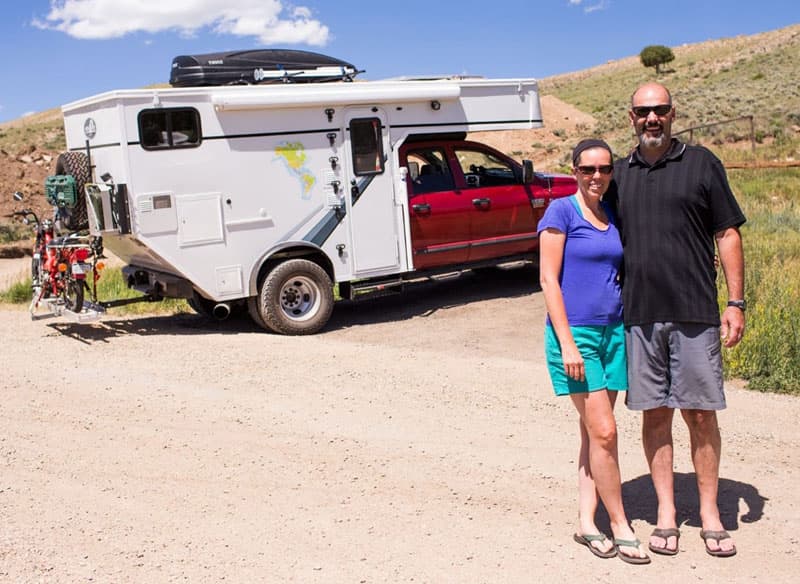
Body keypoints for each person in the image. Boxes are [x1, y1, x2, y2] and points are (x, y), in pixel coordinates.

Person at [608, 82, 746, 558]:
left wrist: (735, 302)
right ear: (631, 117)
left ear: (672, 114)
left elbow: (726, 232)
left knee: (701, 414)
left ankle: (710, 513)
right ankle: (666, 512)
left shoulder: (701, 163)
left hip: (695, 313)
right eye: (643, 111)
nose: (652, 119)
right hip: (640, 316)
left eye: (660, 110)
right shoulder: (618, 175)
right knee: (655, 415)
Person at [538, 139, 650, 564]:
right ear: (575, 171)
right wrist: (567, 343)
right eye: (588, 170)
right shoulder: (561, 212)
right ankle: (619, 523)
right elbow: (549, 280)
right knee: (605, 432)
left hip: (613, 334)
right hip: (577, 338)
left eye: (604, 169)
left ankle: (586, 522)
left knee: (592, 434)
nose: (597, 177)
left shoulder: (612, 214)